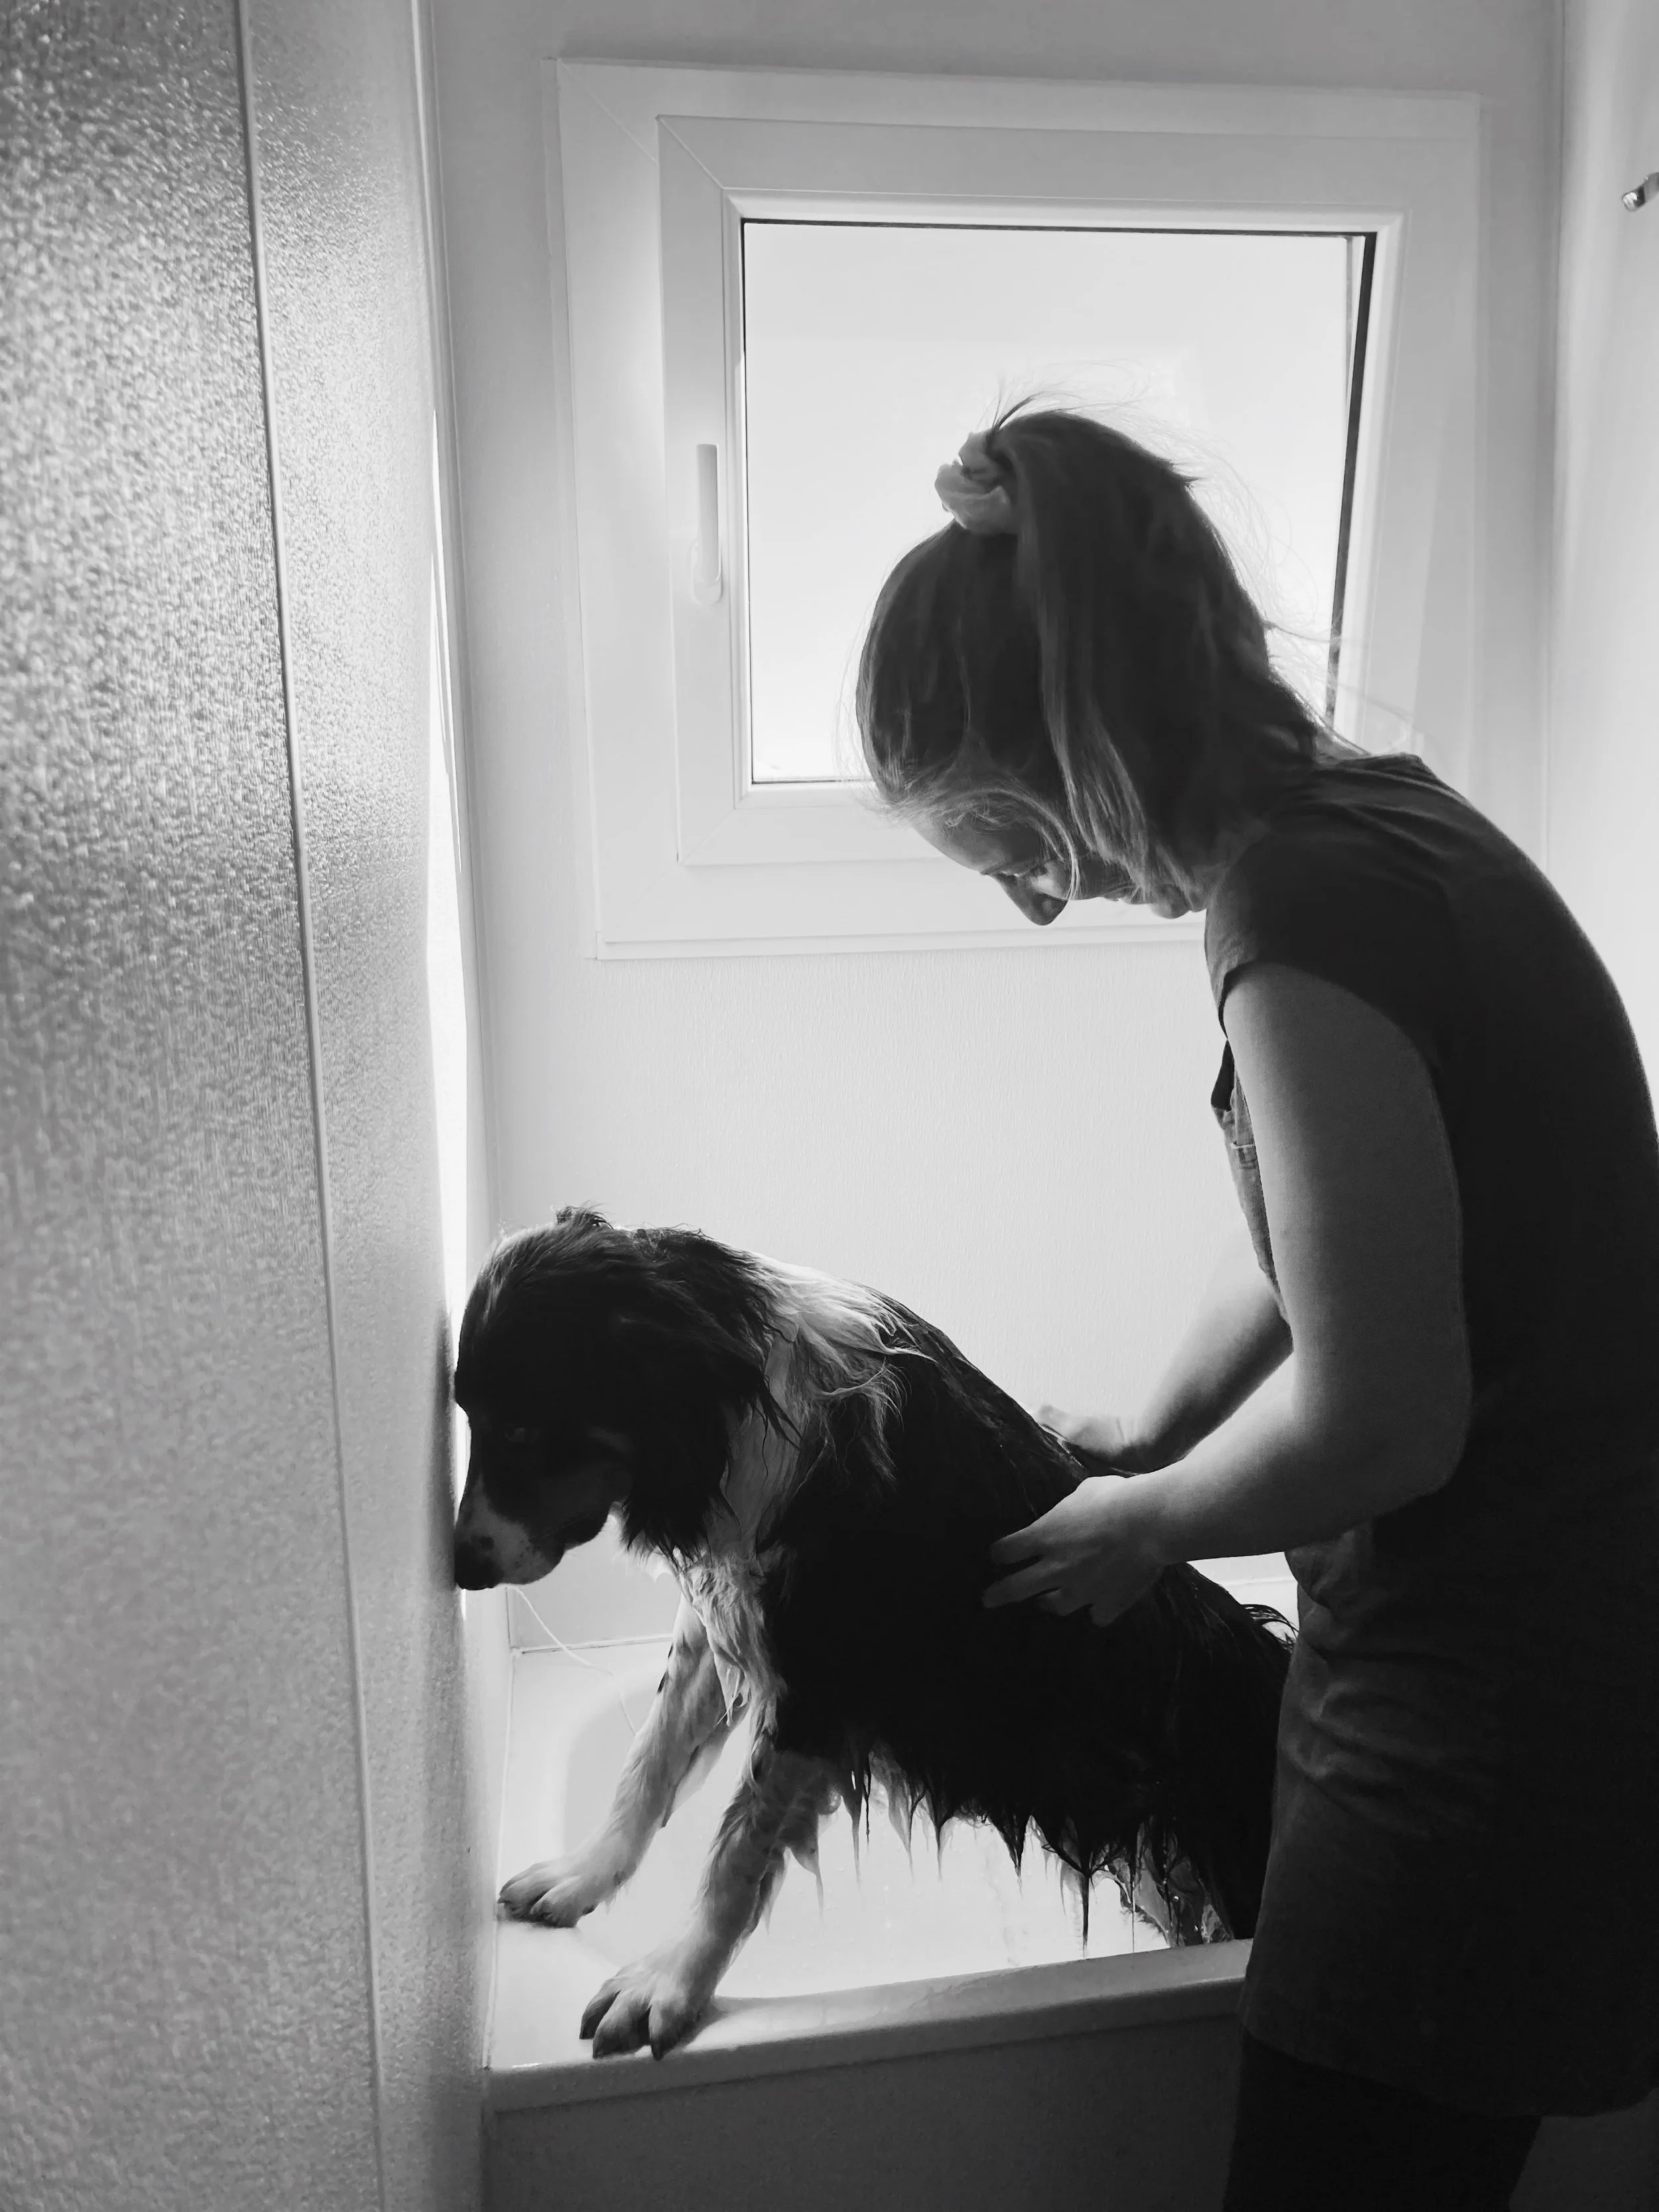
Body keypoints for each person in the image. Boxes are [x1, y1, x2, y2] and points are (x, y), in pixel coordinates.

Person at [854, 407, 1659, 2210]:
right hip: (1510, 1644)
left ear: (1078, 748)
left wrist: (1144, 1523)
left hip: (1493, 1709)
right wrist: (1156, 1426)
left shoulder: (1302, 911)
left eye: (1013, 846)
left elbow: (1385, 1418)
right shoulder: (1372, 822)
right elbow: (1344, 1233)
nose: (1036, 906)